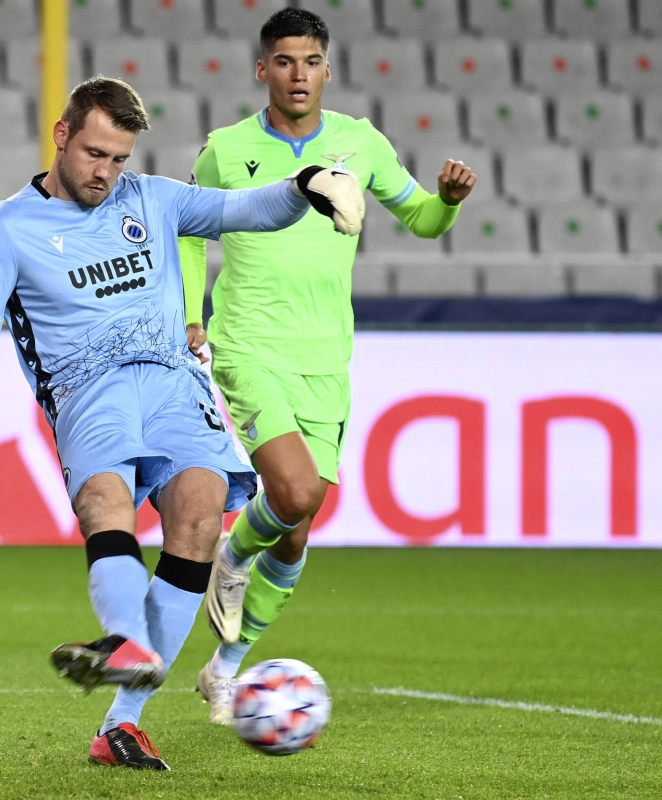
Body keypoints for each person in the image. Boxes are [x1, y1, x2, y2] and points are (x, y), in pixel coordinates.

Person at [0, 76, 364, 770]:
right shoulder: (5, 229)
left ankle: (122, 724)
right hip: (88, 391)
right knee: (106, 504)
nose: (106, 173)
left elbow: (249, 209)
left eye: (119, 158)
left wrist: (307, 184)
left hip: (174, 385)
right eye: (95, 154)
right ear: (61, 135)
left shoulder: (151, 199)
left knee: (201, 511)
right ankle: (124, 641)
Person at [180, 8, 477, 725]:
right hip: (249, 344)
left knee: (299, 521)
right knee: (293, 488)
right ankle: (230, 554)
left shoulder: (361, 143)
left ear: (328, 69)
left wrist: (449, 202)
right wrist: (191, 314)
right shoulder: (227, 149)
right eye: (284, 61)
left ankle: (224, 667)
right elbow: (189, 230)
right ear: (262, 70)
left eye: (310, 60)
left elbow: (422, 221)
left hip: (325, 357)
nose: (298, 74)